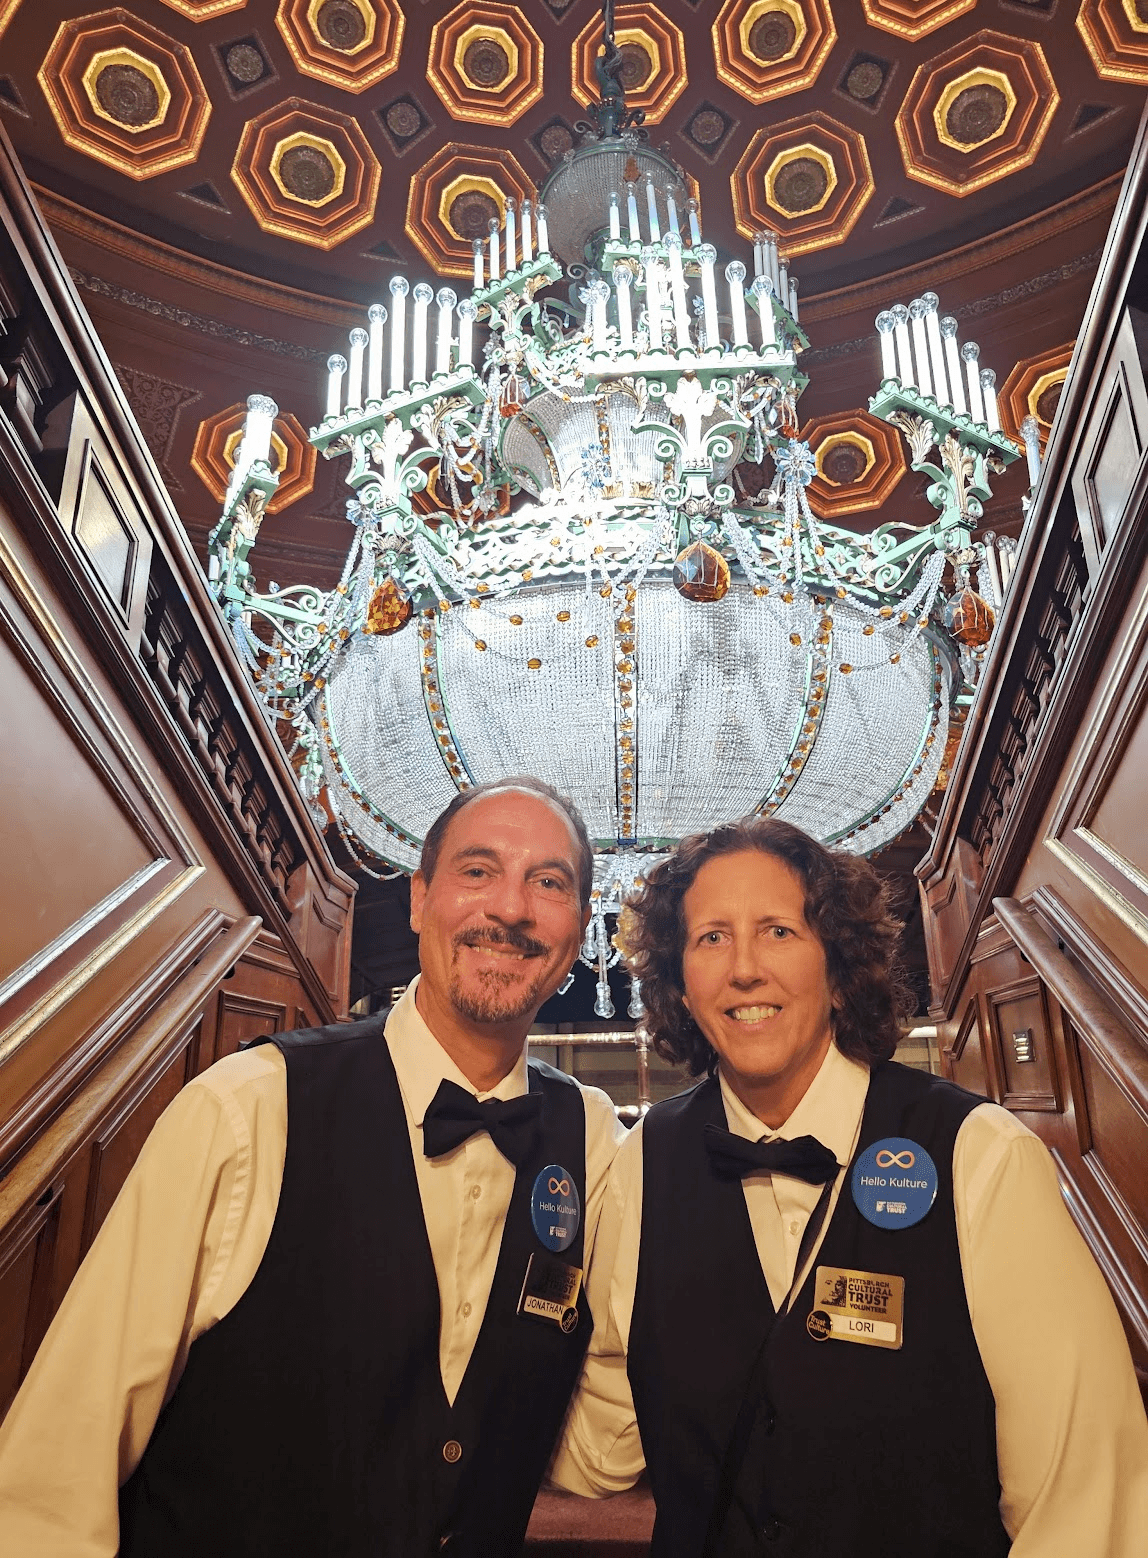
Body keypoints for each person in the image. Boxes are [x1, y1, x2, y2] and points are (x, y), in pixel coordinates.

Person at [0, 776, 625, 1558]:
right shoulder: (247, 1108)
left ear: (577, 927)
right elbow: (59, 1468)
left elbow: (593, 1455)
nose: (509, 907)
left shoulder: (595, 1144)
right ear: (419, 900)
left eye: (549, 882)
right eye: (477, 870)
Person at [550, 816, 1148, 1556]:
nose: (743, 969)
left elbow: (1082, 1504)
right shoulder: (646, 1159)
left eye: (777, 931)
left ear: (838, 966)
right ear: (681, 981)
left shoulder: (980, 1155)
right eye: (711, 937)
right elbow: (604, 1442)